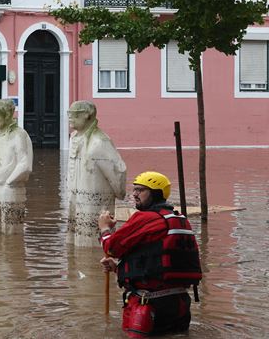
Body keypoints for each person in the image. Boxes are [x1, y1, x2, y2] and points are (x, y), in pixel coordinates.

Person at [98, 172, 202, 338]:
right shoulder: (179, 218)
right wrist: (119, 268)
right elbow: (159, 264)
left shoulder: (146, 218)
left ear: (155, 193)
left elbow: (112, 248)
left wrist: (104, 229)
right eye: (135, 190)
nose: (134, 194)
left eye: (141, 190)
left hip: (147, 306)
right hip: (180, 305)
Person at [66, 100, 127, 247]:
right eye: (69, 114)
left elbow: (118, 171)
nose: (70, 118)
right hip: (75, 199)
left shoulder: (99, 142)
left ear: (87, 115)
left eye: (74, 115)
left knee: (95, 245)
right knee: (75, 244)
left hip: (95, 202)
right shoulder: (74, 137)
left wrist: (120, 192)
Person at [0, 99, 33, 234]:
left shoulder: (19, 135)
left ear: (6, 115)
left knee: (10, 233)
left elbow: (24, 164)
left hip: (10, 189)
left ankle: (13, 254)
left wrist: (8, 182)